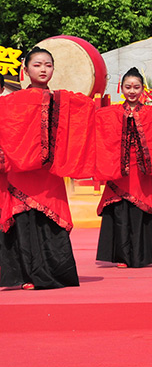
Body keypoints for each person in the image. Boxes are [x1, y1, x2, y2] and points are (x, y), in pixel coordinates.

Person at [0, 47, 95, 289]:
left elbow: (83, 120)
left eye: (48, 65)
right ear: (25, 70)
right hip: (21, 174)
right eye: (37, 65)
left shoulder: (64, 100)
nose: (43, 69)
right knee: (24, 223)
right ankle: (27, 275)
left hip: (49, 175)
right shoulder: (11, 102)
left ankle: (53, 274)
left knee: (50, 223)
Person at [95, 68, 152, 268]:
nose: (132, 91)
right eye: (128, 87)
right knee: (121, 211)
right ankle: (122, 256)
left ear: (143, 89)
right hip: (119, 170)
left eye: (136, 87)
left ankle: (142, 254)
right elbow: (99, 133)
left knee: (140, 211)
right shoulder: (109, 114)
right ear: (121, 88)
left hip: (142, 170)